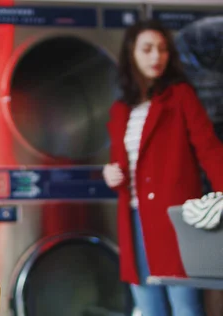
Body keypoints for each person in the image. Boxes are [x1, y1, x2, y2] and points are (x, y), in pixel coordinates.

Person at [103, 19, 223, 316]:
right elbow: (123, 165)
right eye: (147, 49)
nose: (156, 56)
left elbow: (209, 148)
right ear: (132, 53)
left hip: (174, 221)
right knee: (148, 306)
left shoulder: (180, 96)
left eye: (163, 49)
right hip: (133, 220)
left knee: (186, 307)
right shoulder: (121, 110)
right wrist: (110, 175)